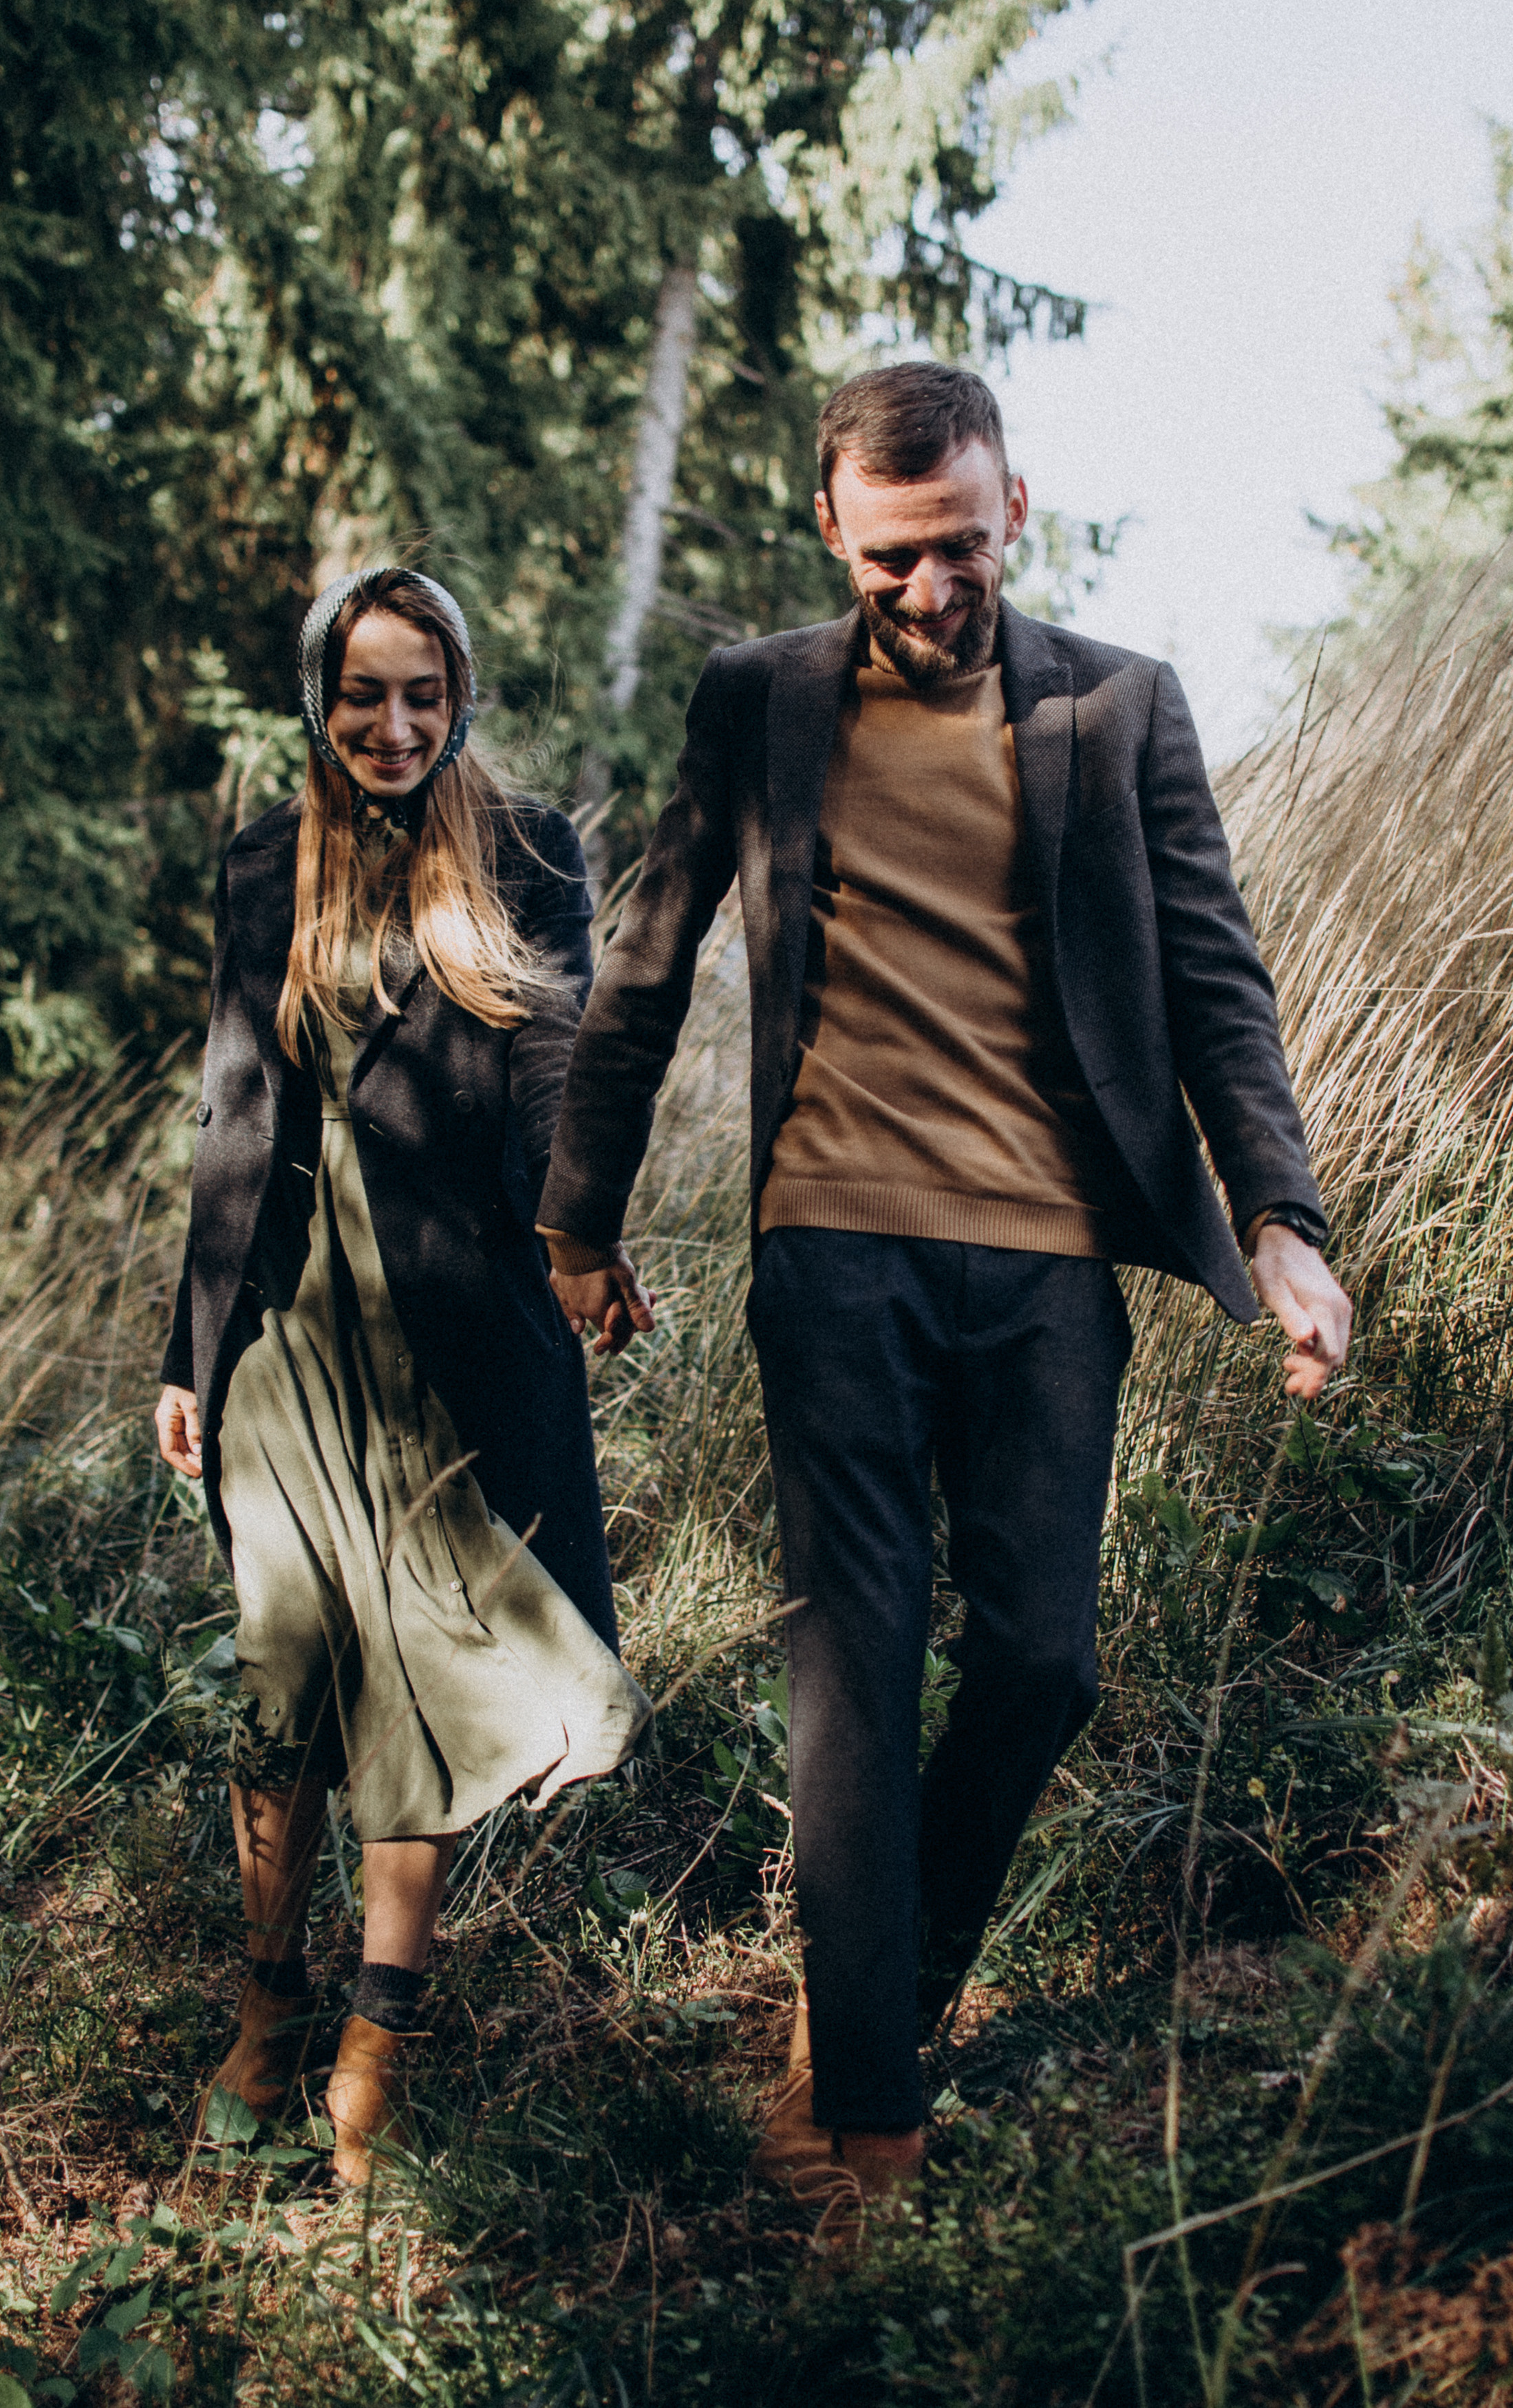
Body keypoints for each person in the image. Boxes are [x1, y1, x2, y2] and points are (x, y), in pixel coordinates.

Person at [536, 363, 1351, 2240]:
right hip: (833, 1245)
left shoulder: (1115, 705)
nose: (929, 589)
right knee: (854, 1647)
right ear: (833, 528)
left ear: (1013, 510)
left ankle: (879, 1987)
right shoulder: (757, 700)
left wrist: (1280, 1222)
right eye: (894, 555)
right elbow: (648, 963)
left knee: (1044, 1656)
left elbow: (1217, 984)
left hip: (1052, 1258)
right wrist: (577, 1216)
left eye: (962, 547)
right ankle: (872, 2136)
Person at [155, 566, 650, 2186]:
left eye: (423, 694)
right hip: (286, 1341)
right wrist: (188, 1350)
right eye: (365, 692)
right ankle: (267, 1998)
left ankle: (376, 2040)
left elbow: (552, 1058)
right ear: (323, 698)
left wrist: (577, 1222)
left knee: (416, 1682)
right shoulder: (258, 862)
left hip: (446, 1333)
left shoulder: (523, 854)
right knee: (285, 1678)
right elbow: (237, 1108)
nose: (394, 723)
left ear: (462, 698)